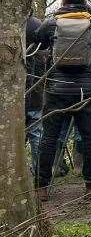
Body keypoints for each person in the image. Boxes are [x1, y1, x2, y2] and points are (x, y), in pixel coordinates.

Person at [33, 0, 91, 202]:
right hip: (86, 91)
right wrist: (90, 11)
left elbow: (38, 40)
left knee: (49, 137)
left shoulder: (51, 23)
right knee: (90, 137)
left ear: (64, 1)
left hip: (57, 89)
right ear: (84, 1)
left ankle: (41, 189)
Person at [24, 17, 45, 175]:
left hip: (17, 101)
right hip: (36, 96)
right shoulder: (39, 26)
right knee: (36, 135)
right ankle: (40, 175)